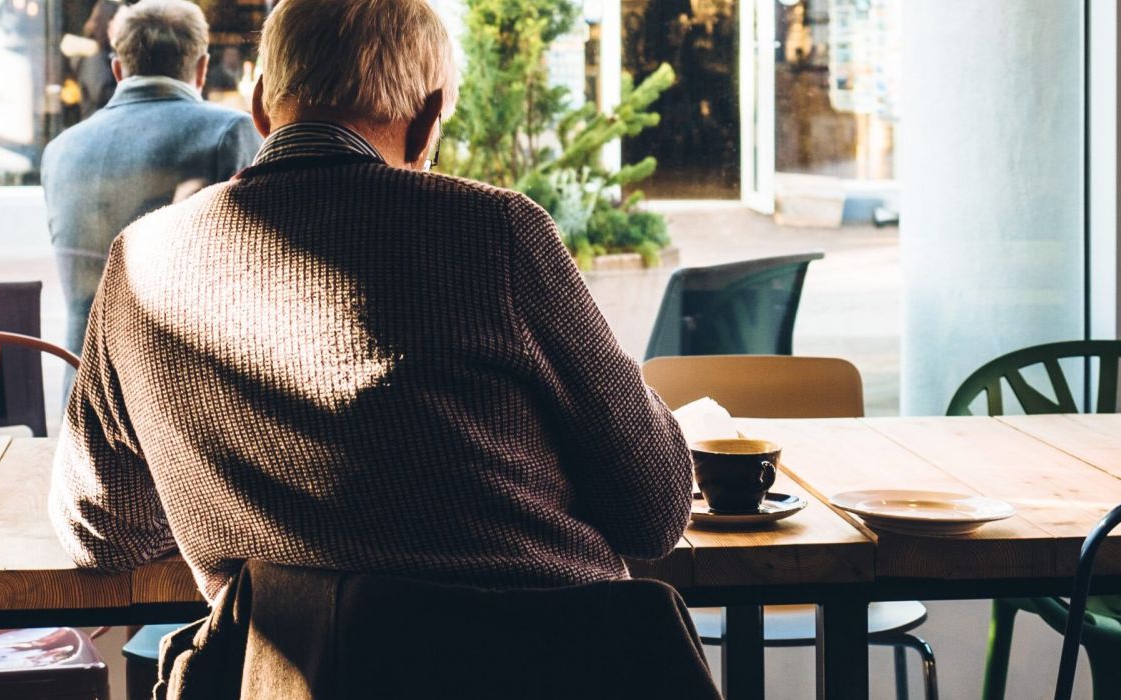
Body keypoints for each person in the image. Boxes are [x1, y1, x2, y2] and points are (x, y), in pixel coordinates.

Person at [49, 0, 690, 603]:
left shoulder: (140, 261)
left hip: (291, 679)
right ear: (427, 120)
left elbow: (100, 529)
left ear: (260, 107)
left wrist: (229, 496)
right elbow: (655, 508)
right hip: (551, 667)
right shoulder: (494, 233)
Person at [41, 0, 261, 355]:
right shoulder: (228, 133)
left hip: (80, 386)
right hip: (175, 390)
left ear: (117, 70)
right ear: (202, 69)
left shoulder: (60, 149)